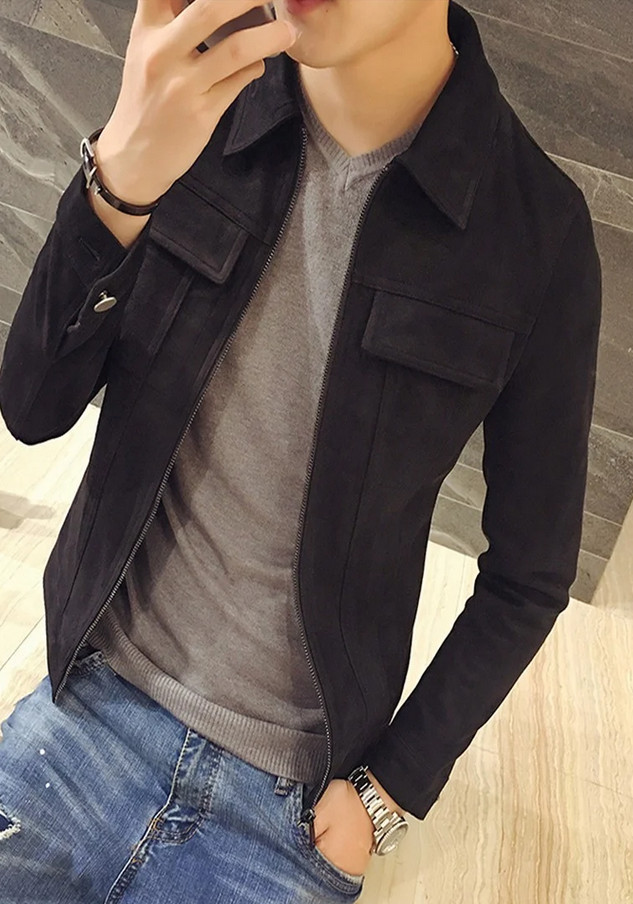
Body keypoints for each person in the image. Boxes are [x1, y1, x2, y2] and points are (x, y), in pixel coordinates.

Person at [0, 0, 601, 901]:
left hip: (287, 801)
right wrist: (118, 176)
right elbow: (31, 409)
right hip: (85, 704)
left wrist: (388, 795)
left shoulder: (537, 230)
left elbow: (529, 575)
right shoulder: (200, 101)